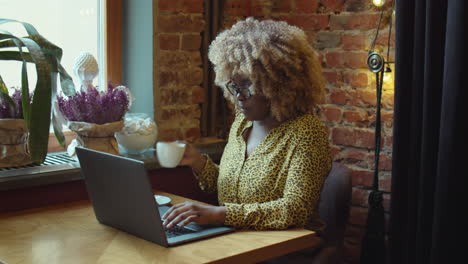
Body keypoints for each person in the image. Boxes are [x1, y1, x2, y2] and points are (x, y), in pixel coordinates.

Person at [162, 18, 331, 233]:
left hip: (283, 249)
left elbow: (295, 210)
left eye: (248, 86)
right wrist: (197, 162)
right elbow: (231, 190)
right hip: (238, 238)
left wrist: (220, 214)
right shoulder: (242, 123)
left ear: (278, 85)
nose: (239, 97)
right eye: (233, 86)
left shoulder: (306, 133)